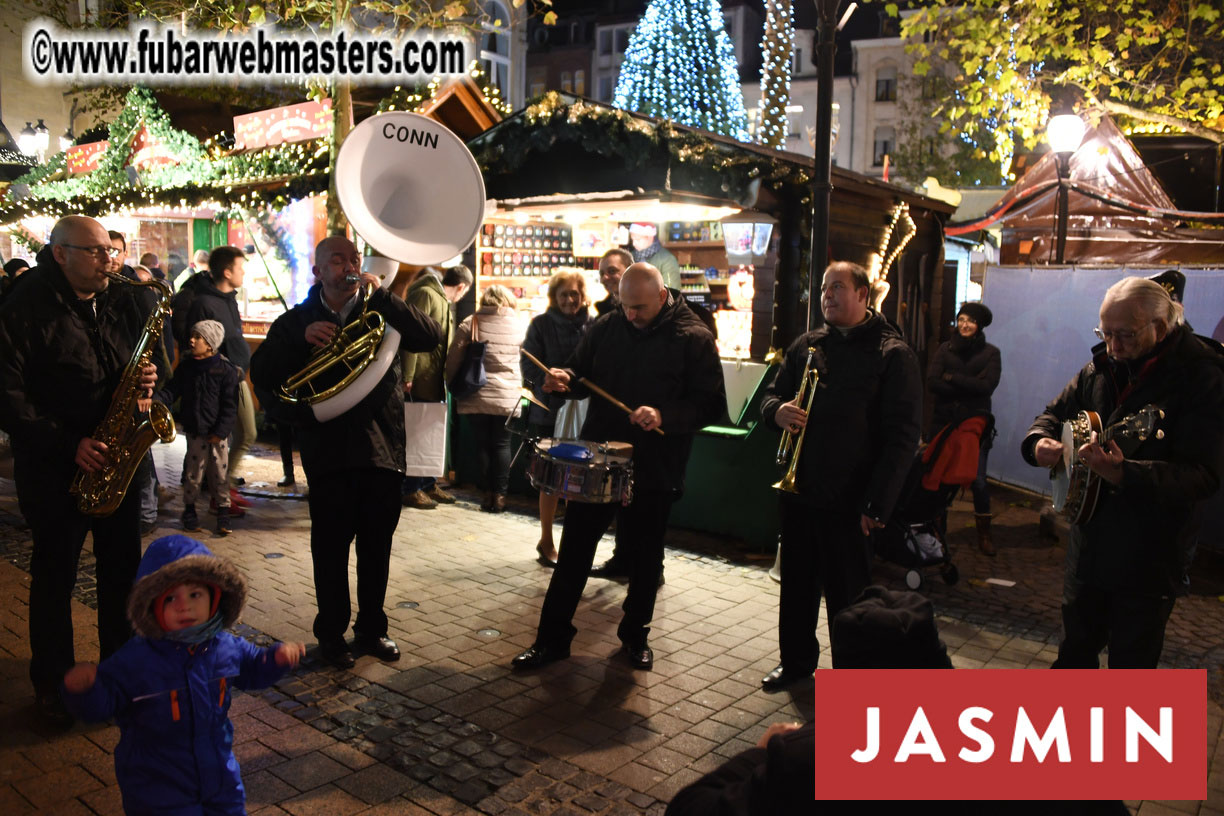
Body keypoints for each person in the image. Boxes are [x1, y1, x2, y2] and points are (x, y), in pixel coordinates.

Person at [512, 263, 725, 672]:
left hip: (657, 463)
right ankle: (551, 640)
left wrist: (664, 415)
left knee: (646, 558)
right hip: (600, 456)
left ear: (662, 297)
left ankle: (635, 638)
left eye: (639, 307)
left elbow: (711, 404)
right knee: (574, 549)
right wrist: (564, 378)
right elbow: (581, 371)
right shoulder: (608, 325)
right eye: (625, 306)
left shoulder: (694, 337)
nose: (630, 314)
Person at [250, 235, 443, 669]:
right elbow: (263, 375)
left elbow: (430, 337)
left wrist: (386, 296)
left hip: (382, 452)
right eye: (337, 260)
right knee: (331, 551)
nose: (349, 265)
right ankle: (332, 634)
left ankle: (373, 629)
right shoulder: (296, 319)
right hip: (330, 454)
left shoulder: (381, 310)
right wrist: (301, 341)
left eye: (354, 258)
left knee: (377, 550)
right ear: (318, 272)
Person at [0, 215, 159, 725]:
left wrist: (149, 383)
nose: (108, 260)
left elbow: (144, 363)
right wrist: (70, 445)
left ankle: (121, 671)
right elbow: (8, 397)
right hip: (55, 467)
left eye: (109, 251)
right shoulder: (23, 306)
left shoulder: (120, 297)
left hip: (119, 455)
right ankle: (53, 683)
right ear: (60, 253)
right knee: (54, 576)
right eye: (94, 253)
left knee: (122, 575)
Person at [1022, 276, 1224, 669]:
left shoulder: (1204, 376)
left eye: (1124, 335)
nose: (1113, 346)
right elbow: (1050, 415)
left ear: (1160, 327)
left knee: (1131, 669)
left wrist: (1125, 475)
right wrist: (1038, 443)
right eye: (1105, 332)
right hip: (1089, 545)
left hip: (1149, 556)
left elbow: (1203, 475)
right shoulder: (1101, 367)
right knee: (1073, 658)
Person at [758, 260, 922, 691]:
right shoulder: (807, 345)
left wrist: (877, 505)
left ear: (864, 295)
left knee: (849, 596)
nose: (827, 295)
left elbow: (902, 438)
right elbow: (770, 395)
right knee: (795, 587)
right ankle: (795, 664)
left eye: (837, 288)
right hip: (800, 492)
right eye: (823, 288)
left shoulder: (891, 354)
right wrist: (777, 411)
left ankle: (852, 679)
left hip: (851, 501)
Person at [62, 535, 305, 815]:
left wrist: (274, 659)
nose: (184, 606)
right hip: (157, 785)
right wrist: (85, 690)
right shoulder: (137, 660)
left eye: (194, 594)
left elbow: (252, 668)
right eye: (170, 598)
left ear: (215, 596)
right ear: (151, 606)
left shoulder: (225, 647)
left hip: (219, 775)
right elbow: (105, 702)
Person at [523, 271, 595, 565]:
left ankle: (574, 545)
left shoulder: (594, 325)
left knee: (581, 479)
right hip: (549, 410)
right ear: (555, 296)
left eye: (575, 294)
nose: (570, 300)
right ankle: (546, 540)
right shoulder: (540, 325)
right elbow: (527, 365)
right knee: (551, 479)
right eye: (564, 294)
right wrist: (544, 380)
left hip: (585, 410)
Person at [926, 301, 1001, 555]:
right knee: (939, 479)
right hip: (944, 423)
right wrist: (968, 384)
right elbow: (933, 382)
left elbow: (986, 387)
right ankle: (938, 532)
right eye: (961, 320)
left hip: (975, 425)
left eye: (970, 320)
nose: (964, 325)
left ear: (979, 325)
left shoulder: (991, 353)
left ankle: (984, 533)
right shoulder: (945, 349)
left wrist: (952, 378)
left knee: (978, 480)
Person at [153, 320, 240, 536]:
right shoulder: (187, 367)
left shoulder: (226, 371)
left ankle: (223, 512)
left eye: (198, 337)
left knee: (219, 473)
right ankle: (189, 511)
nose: (191, 341)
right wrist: (155, 399)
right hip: (195, 431)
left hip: (217, 434)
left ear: (210, 343)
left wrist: (220, 431)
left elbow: (230, 406)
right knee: (193, 473)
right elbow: (172, 391)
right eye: (192, 336)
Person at [399, 263, 473, 509]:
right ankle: (411, 487)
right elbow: (411, 332)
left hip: (433, 378)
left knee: (430, 432)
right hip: (421, 377)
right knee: (418, 431)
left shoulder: (438, 297)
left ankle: (428, 483)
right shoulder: (427, 294)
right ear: (461, 287)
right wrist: (408, 375)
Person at [446, 285, 526, 513]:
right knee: (501, 444)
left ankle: (486, 495)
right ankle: (500, 497)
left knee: (482, 445)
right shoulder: (519, 325)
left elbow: (453, 358)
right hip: (506, 395)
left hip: (476, 392)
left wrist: (452, 383)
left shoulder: (471, 322)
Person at [186, 246, 254, 513]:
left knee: (241, 434)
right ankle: (219, 494)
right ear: (227, 272)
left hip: (236, 374)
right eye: (240, 268)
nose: (243, 272)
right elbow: (195, 344)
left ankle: (222, 490)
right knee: (247, 433)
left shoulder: (229, 299)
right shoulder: (205, 303)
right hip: (224, 379)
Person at [626, 223, 681, 290]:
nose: (634, 243)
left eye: (637, 239)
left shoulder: (667, 259)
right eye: (632, 240)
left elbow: (672, 291)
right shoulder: (629, 256)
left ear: (649, 237)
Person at [593, 248, 630, 316]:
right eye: (602, 274)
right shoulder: (604, 311)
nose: (604, 278)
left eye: (612, 271)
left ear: (630, 270)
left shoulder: (646, 307)